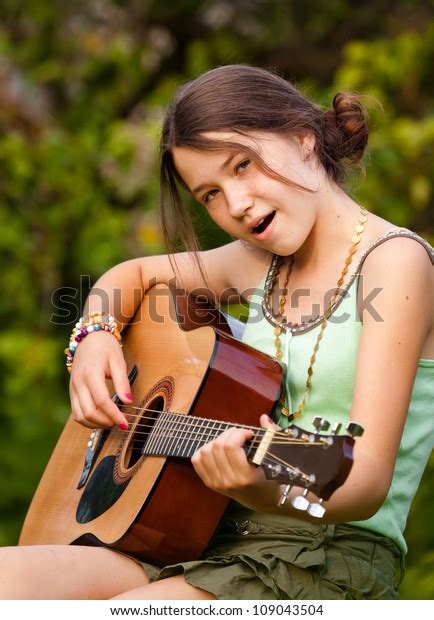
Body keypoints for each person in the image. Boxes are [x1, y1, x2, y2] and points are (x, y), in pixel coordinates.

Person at [1, 64, 433, 600]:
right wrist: (94, 335)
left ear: (303, 139)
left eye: (243, 165)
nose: (236, 204)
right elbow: (131, 275)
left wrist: (263, 486)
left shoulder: (396, 263)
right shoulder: (257, 264)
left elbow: (363, 482)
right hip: (200, 540)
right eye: (209, 195)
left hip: (325, 558)